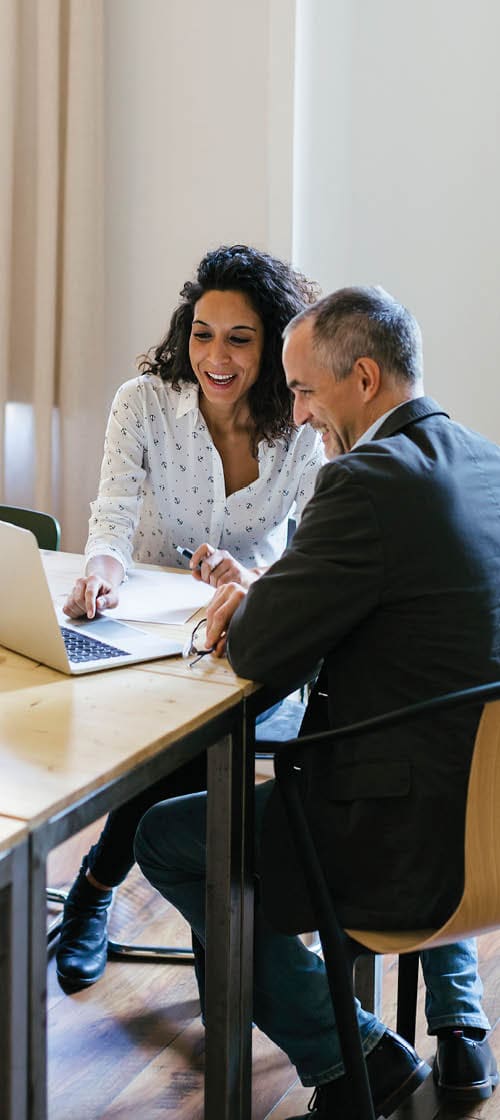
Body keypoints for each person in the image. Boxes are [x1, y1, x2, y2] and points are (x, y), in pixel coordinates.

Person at [135, 286, 499, 1118]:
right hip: (487, 829)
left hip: (399, 846)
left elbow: (262, 651)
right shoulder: (486, 463)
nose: (297, 415)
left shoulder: (366, 482)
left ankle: (352, 1056)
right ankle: (445, 1024)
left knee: (175, 839)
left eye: (303, 390)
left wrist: (254, 605)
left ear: (363, 379)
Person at [56, 244, 325, 990]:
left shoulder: (302, 425)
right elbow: (110, 517)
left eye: (239, 338)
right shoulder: (142, 402)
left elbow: (317, 544)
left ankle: (93, 892)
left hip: (253, 630)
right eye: (203, 334)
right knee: (168, 743)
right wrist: (100, 577)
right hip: (146, 626)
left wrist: (257, 580)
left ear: (271, 345)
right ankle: (107, 895)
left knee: (182, 750)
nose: (217, 355)